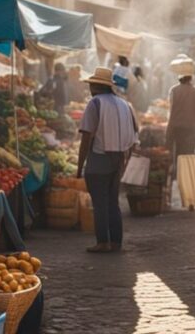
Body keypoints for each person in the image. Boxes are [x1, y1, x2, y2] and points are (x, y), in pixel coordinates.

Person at [76, 67, 139, 253]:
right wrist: (124, 159)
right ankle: (116, 241)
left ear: (96, 86)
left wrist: (80, 167)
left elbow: (86, 137)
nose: (90, 88)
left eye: (91, 85)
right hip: (118, 159)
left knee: (100, 204)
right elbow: (135, 134)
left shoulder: (95, 103)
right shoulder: (124, 104)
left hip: (99, 159)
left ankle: (103, 241)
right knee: (113, 202)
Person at [167, 60, 195, 162]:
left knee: (178, 156)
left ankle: (178, 176)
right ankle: (187, 177)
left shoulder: (174, 90)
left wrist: (168, 131)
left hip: (177, 128)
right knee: (189, 156)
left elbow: (171, 112)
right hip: (192, 129)